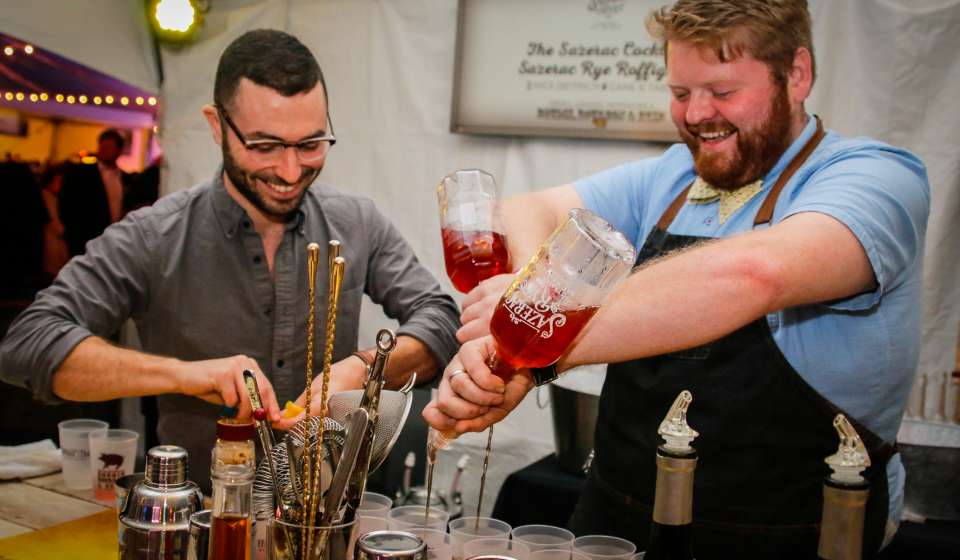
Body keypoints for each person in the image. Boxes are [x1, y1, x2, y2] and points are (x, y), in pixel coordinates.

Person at [424, 1, 929, 558]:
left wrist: (538, 324)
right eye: (681, 93)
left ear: (799, 73)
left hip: (790, 536)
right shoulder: (671, 177)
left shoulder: (877, 177)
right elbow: (527, 211)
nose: (695, 114)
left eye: (722, 91)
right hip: (616, 526)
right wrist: (518, 344)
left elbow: (751, 274)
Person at [0, 29, 460, 490]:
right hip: (202, 519)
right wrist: (184, 375)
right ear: (217, 126)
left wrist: (364, 368)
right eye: (265, 146)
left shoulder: (357, 223)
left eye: (310, 144)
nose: (290, 170)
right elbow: (28, 343)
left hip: (326, 516)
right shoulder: (155, 235)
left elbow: (440, 321)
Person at [58, 128, 133, 257]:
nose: (103, 150)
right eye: (101, 146)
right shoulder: (80, 173)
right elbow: (66, 203)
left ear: (119, 151)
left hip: (114, 242)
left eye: (108, 147)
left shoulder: (126, 178)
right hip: (84, 240)